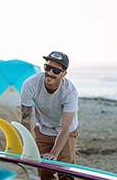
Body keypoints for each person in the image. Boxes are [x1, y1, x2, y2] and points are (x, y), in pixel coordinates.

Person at [20, 51, 79, 180]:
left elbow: (65, 127)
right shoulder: (30, 85)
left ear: (64, 73)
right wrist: (26, 144)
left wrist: (54, 154)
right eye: (48, 67)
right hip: (43, 129)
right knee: (44, 172)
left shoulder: (70, 92)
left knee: (65, 172)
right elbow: (25, 119)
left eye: (56, 71)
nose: (50, 73)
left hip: (66, 131)